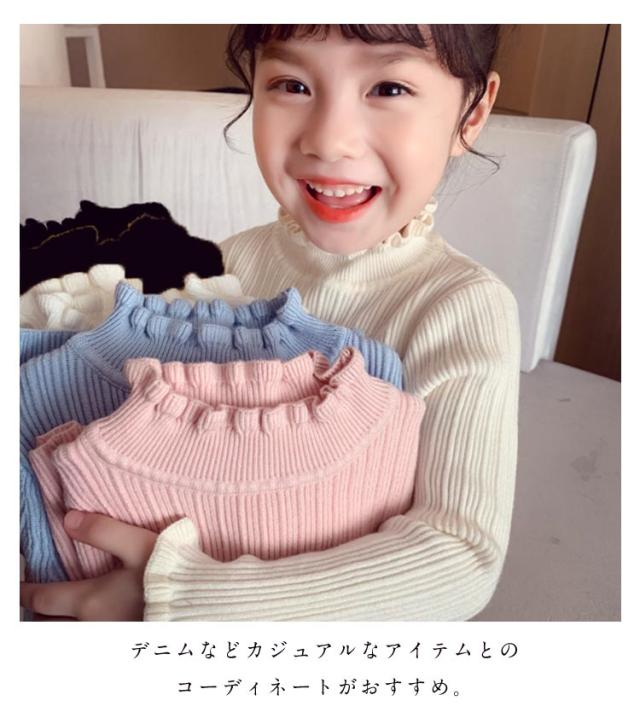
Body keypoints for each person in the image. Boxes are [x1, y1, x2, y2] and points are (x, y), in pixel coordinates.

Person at [20, 23, 520, 621]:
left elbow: (459, 560)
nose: (329, 141)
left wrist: (179, 596)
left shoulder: (462, 307)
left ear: (472, 112)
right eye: (292, 84)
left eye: (388, 89)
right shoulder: (226, 263)